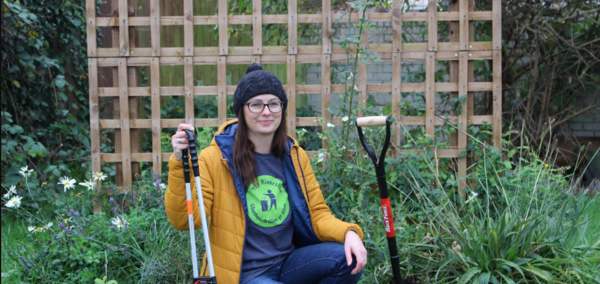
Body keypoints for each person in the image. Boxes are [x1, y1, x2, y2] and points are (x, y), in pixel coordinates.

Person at [165, 62, 367, 284]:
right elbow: (185, 220)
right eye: (256, 105)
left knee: (346, 259)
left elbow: (317, 214)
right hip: (245, 275)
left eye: (273, 104)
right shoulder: (215, 159)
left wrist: (349, 233)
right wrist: (178, 162)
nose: (267, 112)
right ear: (241, 109)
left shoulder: (294, 156)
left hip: (288, 264)